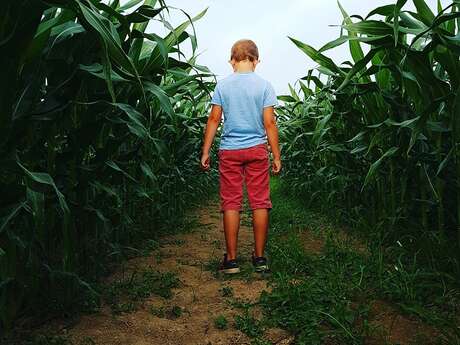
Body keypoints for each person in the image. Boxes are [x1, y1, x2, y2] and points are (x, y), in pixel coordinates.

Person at [200, 39, 281, 274]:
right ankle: (259, 259)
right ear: (256, 61)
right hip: (256, 149)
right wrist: (276, 155)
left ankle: (232, 261)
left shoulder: (223, 86)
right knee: (260, 202)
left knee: (231, 203)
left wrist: (206, 151)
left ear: (232, 61)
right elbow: (269, 122)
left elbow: (214, 119)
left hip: (230, 150)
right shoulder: (265, 86)